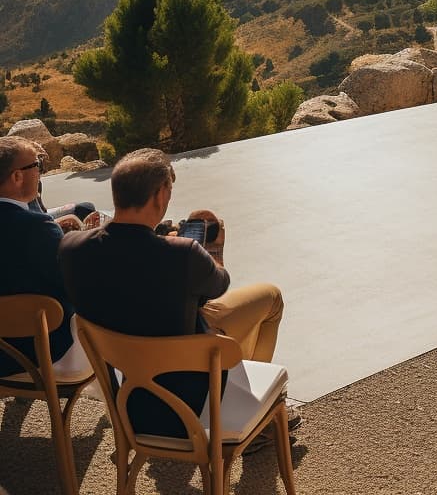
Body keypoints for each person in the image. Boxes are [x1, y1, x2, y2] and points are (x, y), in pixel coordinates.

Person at [59, 149, 288, 439]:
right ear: (159, 195)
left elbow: (125, 265)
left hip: (128, 400)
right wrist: (213, 250)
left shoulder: (72, 248)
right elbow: (217, 286)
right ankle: (257, 426)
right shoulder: (185, 255)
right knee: (271, 298)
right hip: (193, 403)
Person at [0, 136, 81, 377]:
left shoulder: (35, 225)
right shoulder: (36, 227)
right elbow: (74, 286)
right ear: (17, 176)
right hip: (44, 354)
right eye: (38, 166)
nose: (40, 174)